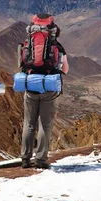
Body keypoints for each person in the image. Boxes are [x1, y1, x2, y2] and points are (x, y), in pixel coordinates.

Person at [20, 14, 69, 169]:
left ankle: (25, 158)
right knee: (44, 125)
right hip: (48, 87)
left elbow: (21, 63)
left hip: (30, 86)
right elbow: (65, 69)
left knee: (29, 124)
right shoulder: (57, 47)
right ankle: (40, 159)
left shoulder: (28, 43)